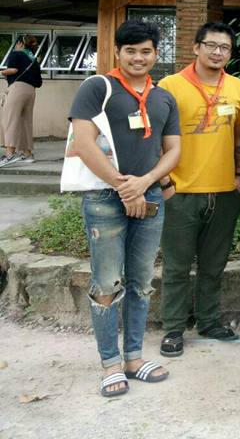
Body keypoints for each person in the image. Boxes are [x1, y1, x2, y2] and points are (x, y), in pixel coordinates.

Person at [68, 20, 181, 398]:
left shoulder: (163, 98)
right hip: (104, 198)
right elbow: (83, 143)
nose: (138, 57)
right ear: (117, 52)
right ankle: (110, 364)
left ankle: (133, 357)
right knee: (106, 282)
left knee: (141, 281)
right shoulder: (97, 87)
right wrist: (123, 186)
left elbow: (174, 150)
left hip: (149, 196)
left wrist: (144, 182)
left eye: (146, 51)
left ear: (156, 54)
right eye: (130, 50)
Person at [156, 22, 240, 358]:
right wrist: (165, 183)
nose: (217, 52)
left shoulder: (237, 88)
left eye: (224, 48)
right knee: (177, 266)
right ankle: (173, 328)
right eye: (211, 45)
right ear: (196, 47)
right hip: (181, 192)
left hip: (224, 191)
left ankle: (209, 321)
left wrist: (239, 174)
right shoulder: (169, 86)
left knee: (214, 263)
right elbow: (154, 136)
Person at [0, 36, 42, 167]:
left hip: (17, 89)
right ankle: (28, 154)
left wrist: (2, 72)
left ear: (20, 43)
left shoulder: (16, 54)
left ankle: (9, 154)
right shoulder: (34, 60)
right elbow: (39, 82)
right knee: (25, 122)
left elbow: (13, 70)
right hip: (31, 91)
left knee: (10, 120)